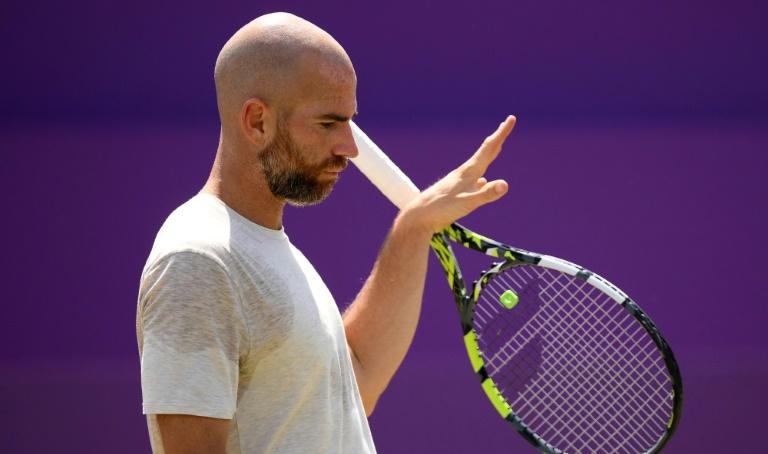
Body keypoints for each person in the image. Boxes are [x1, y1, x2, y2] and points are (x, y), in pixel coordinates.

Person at [136, 11, 516, 454]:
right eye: (329, 123)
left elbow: (356, 382)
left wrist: (414, 228)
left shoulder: (263, 248)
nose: (350, 148)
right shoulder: (198, 261)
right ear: (257, 121)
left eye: (350, 123)